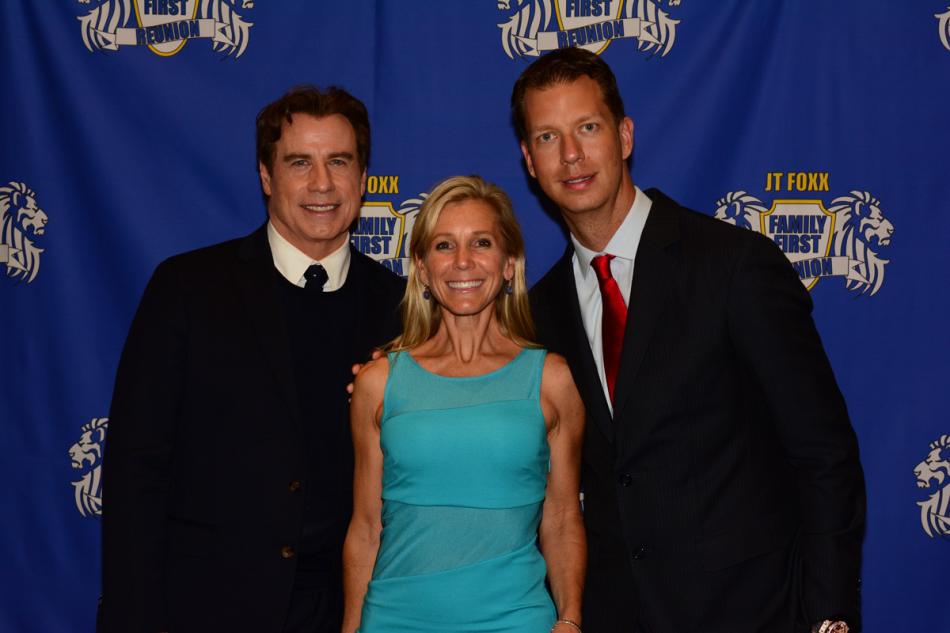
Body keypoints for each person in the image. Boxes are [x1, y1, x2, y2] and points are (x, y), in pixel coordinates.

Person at [515, 48, 866, 633]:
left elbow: (823, 452)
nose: (571, 154)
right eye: (548, 137)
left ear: (624, 136)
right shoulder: (539, 313)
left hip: (752, 613)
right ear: (530, 161)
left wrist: (830, 615)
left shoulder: (733, 266)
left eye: (588, 127)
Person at [99, 85, 405, 633]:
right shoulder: (188, 289)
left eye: (339, 162)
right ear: (266, 176)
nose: (321, 183)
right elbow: (136, 472)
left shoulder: (402, 309)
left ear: (362, 177)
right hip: (207, 609)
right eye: (299, 163)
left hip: (354, 612)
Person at [342, 175, 586, 633]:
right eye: (443, 245)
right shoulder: (378, 382)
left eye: (481, 242)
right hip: (395, 621)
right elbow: (366, 527)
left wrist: (570, 619)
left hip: (516, 621)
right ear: (422, 268)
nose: (462, 262)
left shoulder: (551, 379)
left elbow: (562, 517)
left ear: (509, 263)